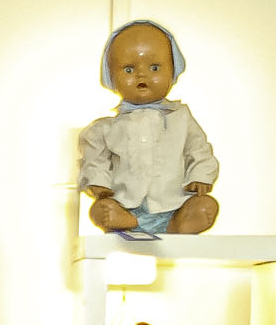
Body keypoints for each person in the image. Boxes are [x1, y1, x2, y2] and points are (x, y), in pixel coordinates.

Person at [79, 19, 220, 236]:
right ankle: (126, 221)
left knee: (206, 205)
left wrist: (200, 176)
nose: (141, 75)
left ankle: (179, 224)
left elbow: (199, 150)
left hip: (175, 204)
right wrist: (99, 183)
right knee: (99, 210)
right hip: (125, 204)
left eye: (154, 67)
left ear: (173, 71)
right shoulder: (105, 129)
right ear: (111, 77)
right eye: (129, 69)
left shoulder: (181, 119)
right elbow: (94, 159)